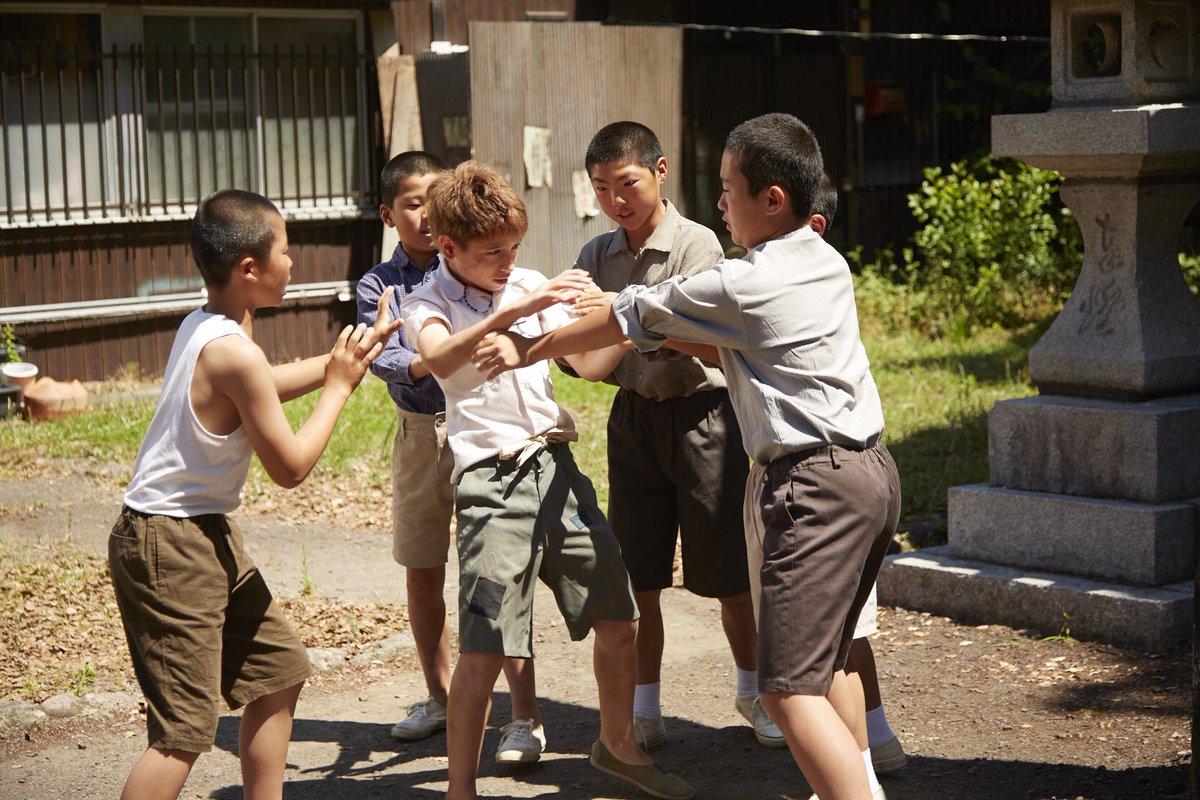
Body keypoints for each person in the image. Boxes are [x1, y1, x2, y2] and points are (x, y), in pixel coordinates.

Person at [471, 113, 901, 800]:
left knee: (787, 692)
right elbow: (665, 330)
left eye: (729, 188)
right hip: (869, 475)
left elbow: (625, 318)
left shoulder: (743, 279)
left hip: (811, 485)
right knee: (828, 669)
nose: (721, 201)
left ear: (773, 200)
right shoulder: (821, 257)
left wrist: (523, 349)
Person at [399, 161, 695, 800]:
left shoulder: (525, 282)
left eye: (513, 248)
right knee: (482, 648)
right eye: (491, 253)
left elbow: (586, 364)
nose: (507, 263)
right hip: (491, 486)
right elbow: (438, 361)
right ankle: (460, 790)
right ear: (447, 248)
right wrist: (520, 310)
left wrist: (622, 317)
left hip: (557, 470)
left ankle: (619, 749)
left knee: (619, 616)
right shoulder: (427, 302)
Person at [109, 189, 401, 800]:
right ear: (250, 267)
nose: (293, 264)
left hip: (202, 533)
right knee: (182, 734)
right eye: (286, 252)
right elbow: (290, 468)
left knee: (277, 672)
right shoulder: (231, 350)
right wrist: (338, 388)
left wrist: (345, 357)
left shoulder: (206, 323)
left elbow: (260, 385)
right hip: (170, 544)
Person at [570, 121, 781, 749]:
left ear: (659, 172)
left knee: (728, 576)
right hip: (634, 421)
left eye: (626, 183)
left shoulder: (697, 246)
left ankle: (755, 692)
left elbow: (711, 337)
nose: (615, 200)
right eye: (602, 188)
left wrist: (623, 321)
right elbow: (578, 341)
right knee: (638, 577)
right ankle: (646, 708)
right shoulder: (595, 255)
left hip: (703, 422)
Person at [356, 151, 545, 763]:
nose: (424, 213)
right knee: (422, 565)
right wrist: (430, 354)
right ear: (390, 214)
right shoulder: (382, 287)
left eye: (433, 200)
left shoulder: (494, 266)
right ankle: (440, 697)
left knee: (501, 573)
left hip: (489, 435)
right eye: (412, 203)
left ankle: (524, 714)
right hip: (420, 432)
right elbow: (381, 360)